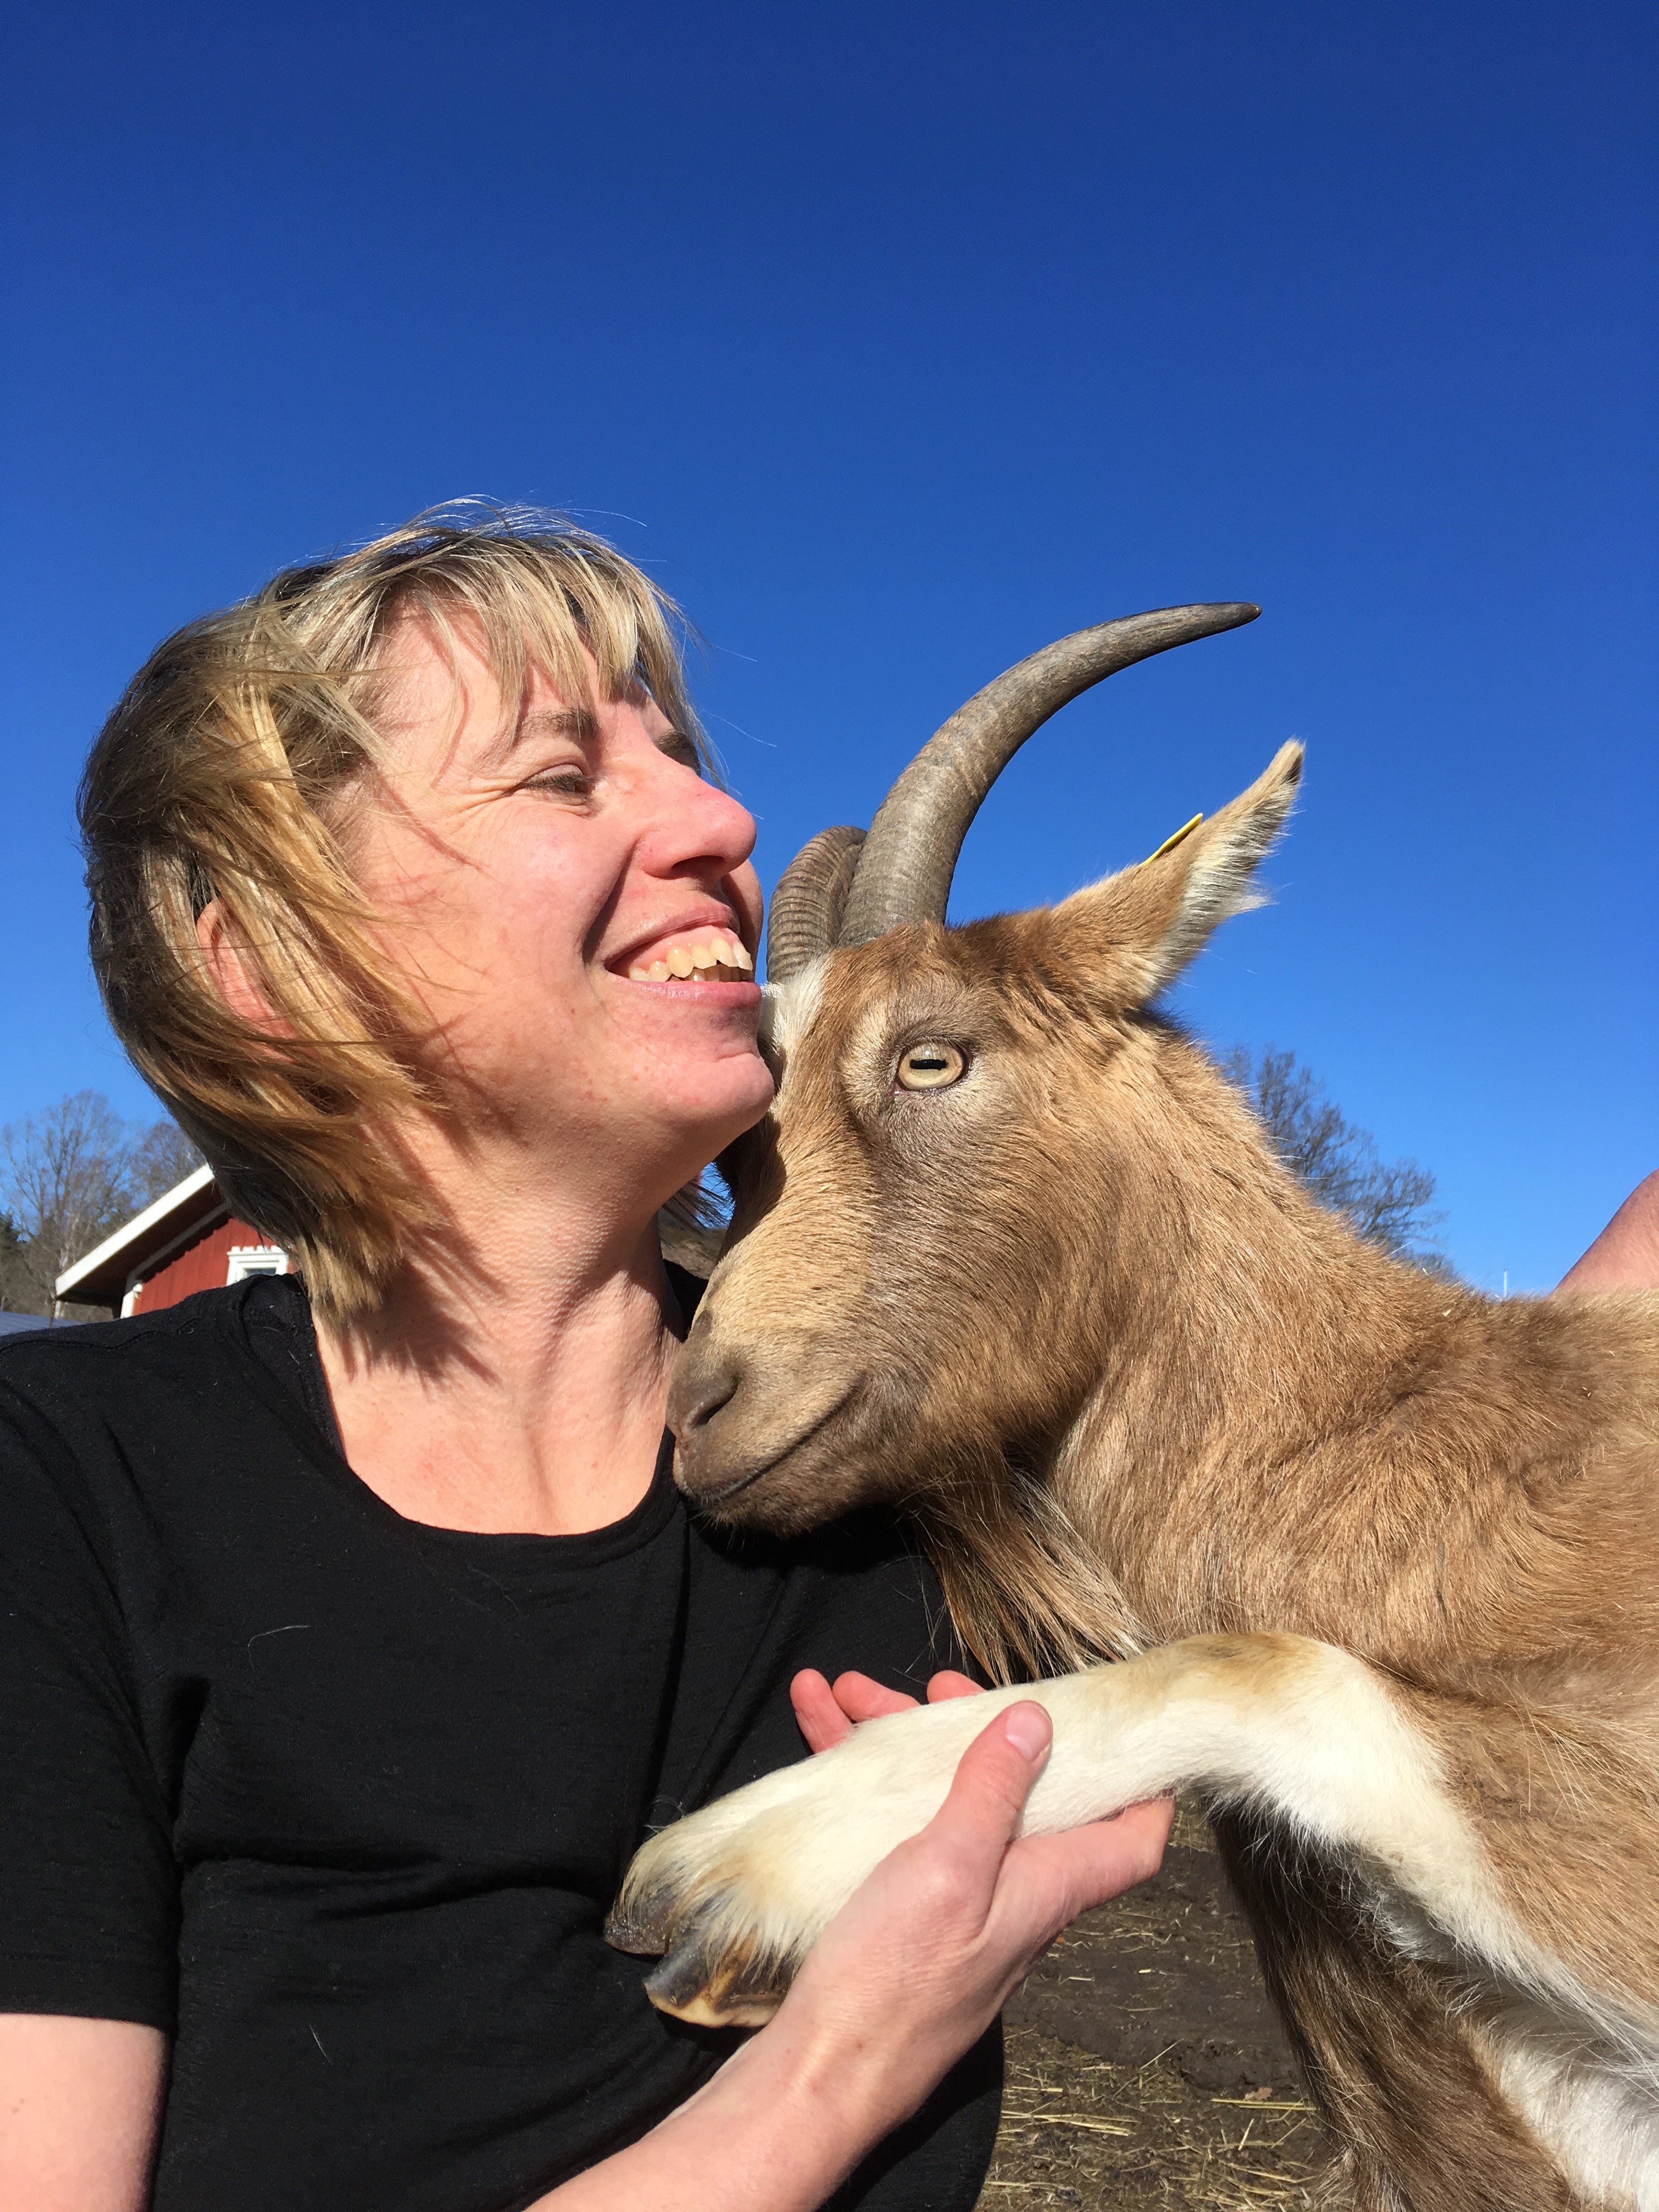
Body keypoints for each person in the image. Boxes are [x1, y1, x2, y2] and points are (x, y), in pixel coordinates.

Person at [0, 509, 1171, 2212]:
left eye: (683, 758)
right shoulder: (61, 1498)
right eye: (564, 779)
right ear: (273, 958)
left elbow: (1485, 1502)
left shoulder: (923, 1479)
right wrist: (836, 2066)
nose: (724, 819)